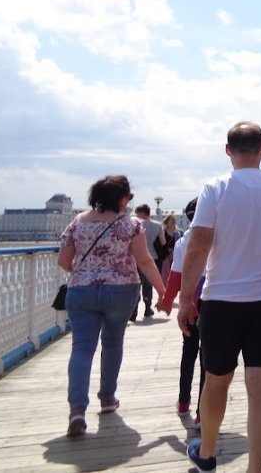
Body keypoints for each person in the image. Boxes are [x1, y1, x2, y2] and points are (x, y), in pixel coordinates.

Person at [178, 121, 261, 473]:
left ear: (228, 150)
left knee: (216, 380)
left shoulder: (216, 188)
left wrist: (185, 298)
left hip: (222, 299)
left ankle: (207, 452)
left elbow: (198, 244)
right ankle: (255, 470)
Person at [57, 175, 165, 438]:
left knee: (82, 348)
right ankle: (107, 399)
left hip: (81, 290)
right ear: (121, 198)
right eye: (128, 197)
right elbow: (145, 261)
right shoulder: (131, 225)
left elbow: (64, 260)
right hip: (120, 290)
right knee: (113, 343)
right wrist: (163, 292)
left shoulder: (78, 222)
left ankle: (77, 411)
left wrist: (85, 273)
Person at [157, 198, 204, 427]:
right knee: (209, 358)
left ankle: (183, 401)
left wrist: (166, 302)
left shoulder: (183, 241)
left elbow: (175, 276)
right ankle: (202, 414)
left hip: (190, 303)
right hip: (215, 301)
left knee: (189, 353)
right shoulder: (221, 237)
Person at [132, 203, 166, 319]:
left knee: (136, 284)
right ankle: (148, 308)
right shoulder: (157, 225)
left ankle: (134, 310)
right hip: (151, 256)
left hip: (135, 257)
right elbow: (163, 242)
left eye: (137, 213)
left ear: (141, 213)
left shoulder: (134, 224)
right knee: (148, 285)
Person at [159, 213, 181, 282]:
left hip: (176, 254)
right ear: (167, 221)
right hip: (166, 254)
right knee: (166, 271)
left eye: (174, 220)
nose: (173, 221)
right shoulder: (163, 231)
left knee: (176, 270)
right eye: (172, 220)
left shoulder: (179, 232)